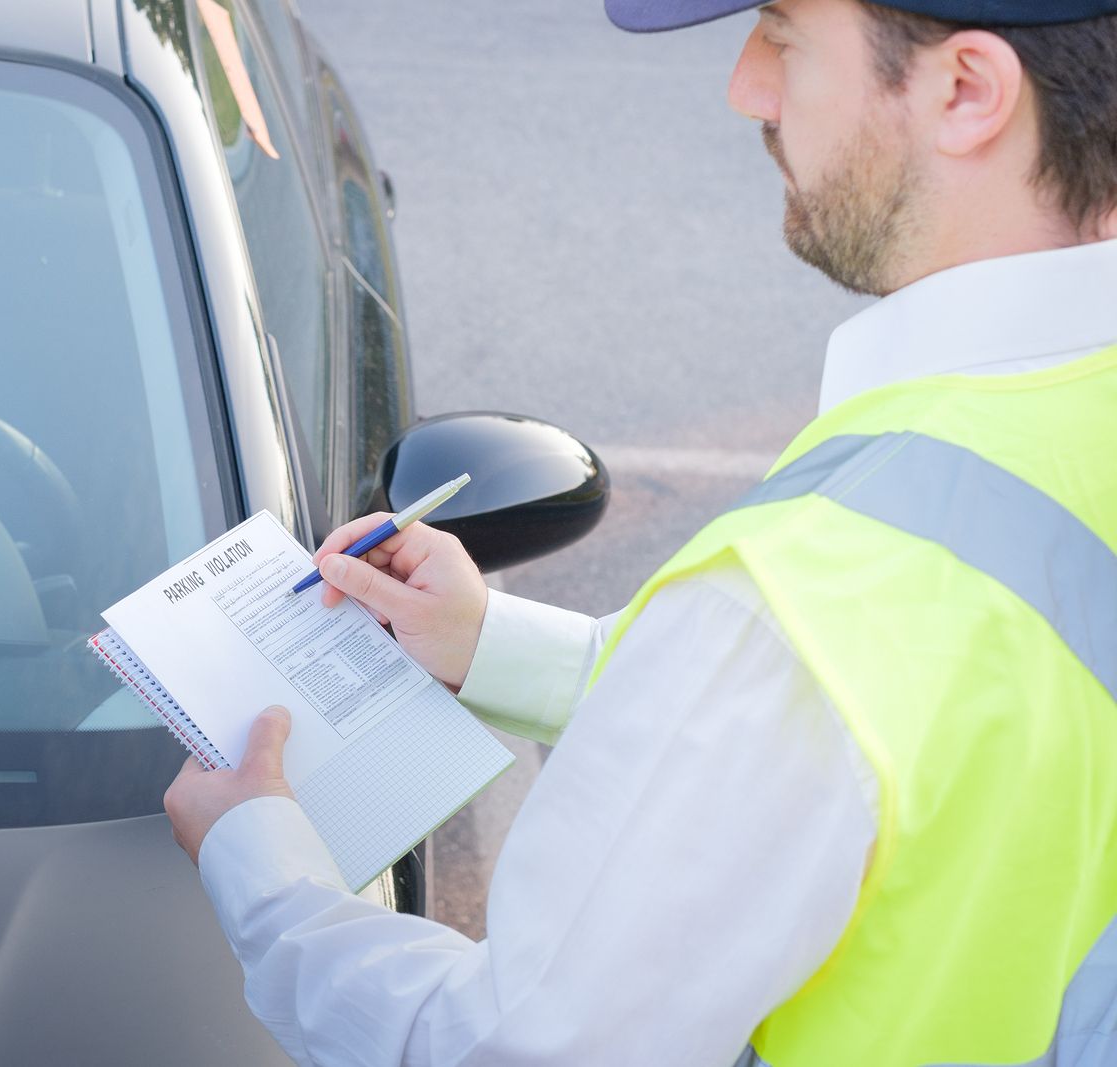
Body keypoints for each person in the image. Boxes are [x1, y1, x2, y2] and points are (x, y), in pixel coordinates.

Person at [162, 0, 1117, 1062]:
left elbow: (510, 1049)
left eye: (785, 35)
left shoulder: (803, 613)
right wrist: (489, 644)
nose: (745, 87)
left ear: (966, 91)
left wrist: (266, 879)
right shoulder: (1041, 439)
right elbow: (859, 748)